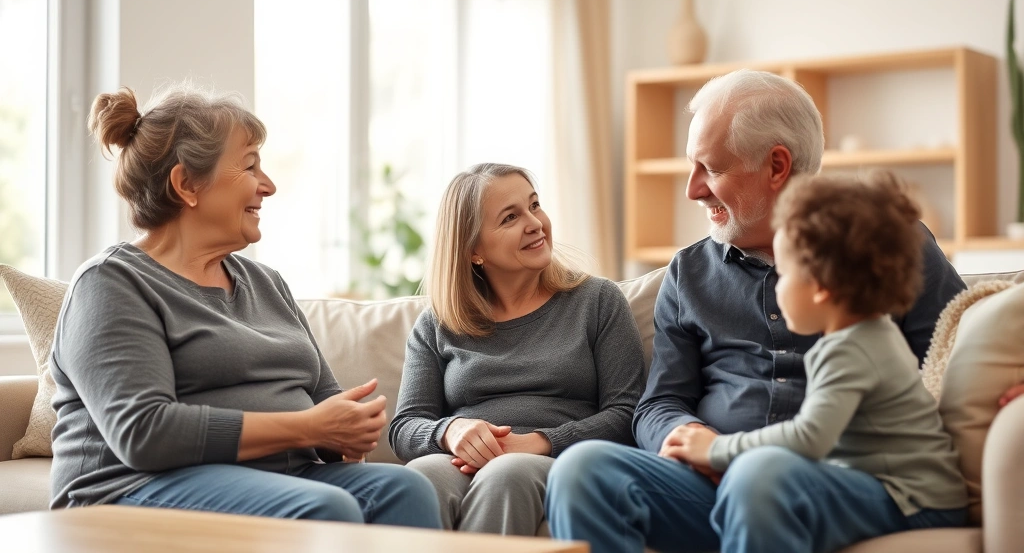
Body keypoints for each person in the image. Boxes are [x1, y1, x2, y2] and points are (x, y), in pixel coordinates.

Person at [545, 70, 967, 553]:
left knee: (759, 476)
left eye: (711, 168)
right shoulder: (688, 274)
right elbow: (659, 402)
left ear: (777, 166)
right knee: (584, 469)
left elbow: (961, 342)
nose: (693, 190)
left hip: (842, 482)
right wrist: (689, 435)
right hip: (719, 478)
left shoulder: (888, 246)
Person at [48, 84, 442, 530]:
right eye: (250, 165)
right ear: (186, 185)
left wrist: (347, 428)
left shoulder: (264, 283)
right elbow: (144, 433)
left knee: (404, 489)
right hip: (130, 491)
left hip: (277, 477)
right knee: (324, 509)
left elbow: (323, 398)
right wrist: (309, 428)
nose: (268, 186)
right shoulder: (111, 283)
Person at [669, 171, 967, 551]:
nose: (776, 286)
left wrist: (713, 449)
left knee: (760, 478)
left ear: (822, 288)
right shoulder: (869, 334)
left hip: (914, 499)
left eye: (785, 274)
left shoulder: (850, 350)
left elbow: (808, 438)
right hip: (897, 490)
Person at [388, 162, 646, 535]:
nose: (535, 223)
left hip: (553, 458)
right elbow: (404, 427)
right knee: (419, 479)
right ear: (474, 249)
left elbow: (629, 413)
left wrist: (539, 442)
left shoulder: (597, 301)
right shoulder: (437, 324)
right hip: (460, 458)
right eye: (510, 218)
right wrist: (449, 432)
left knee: (507, 473)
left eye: (535, 205)